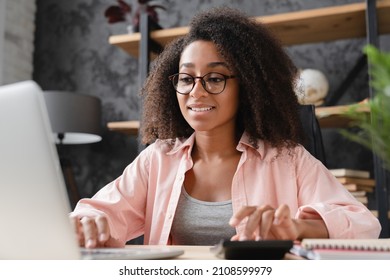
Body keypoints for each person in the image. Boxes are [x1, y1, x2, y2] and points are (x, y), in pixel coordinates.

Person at [70, 7, 381, 248]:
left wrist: (299, 228)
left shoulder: (288, 159)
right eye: (187, 78)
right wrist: (87, 224)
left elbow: (363, 224)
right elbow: (101, 213)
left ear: (248, 87)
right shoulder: (158, 159)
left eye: (215, 78)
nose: (196, 91)